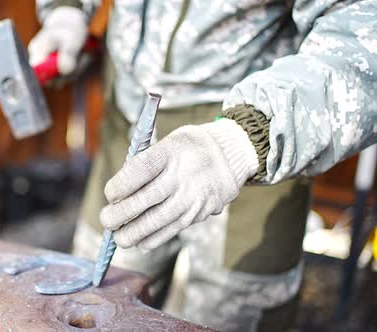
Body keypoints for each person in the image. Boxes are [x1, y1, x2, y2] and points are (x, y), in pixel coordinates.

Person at [29, 1, 377, 331]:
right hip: (128, 119)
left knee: (235, 314)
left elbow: (365, 30)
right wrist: (66, 10)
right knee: (92, 299)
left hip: (247, 142)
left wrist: (246, 138)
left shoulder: (247, 139)